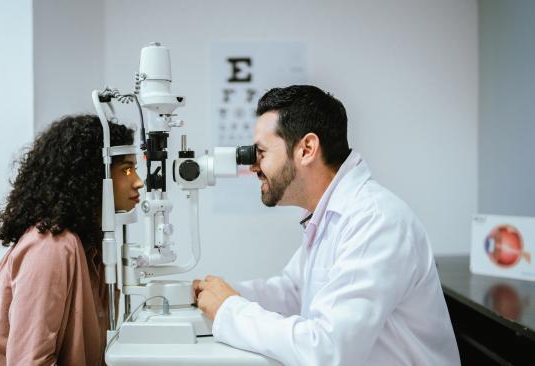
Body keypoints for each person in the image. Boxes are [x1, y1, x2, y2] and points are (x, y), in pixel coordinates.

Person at [194, 85, 460, 365]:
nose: (252, 167)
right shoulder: (330, 215)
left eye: (260, 153)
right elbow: (293, 292)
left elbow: (327, 350)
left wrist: (229, 309)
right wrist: (224, 294)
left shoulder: (374, 220)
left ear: (307, 149)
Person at [0, 114, 144, 366]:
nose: (139, 181)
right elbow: (30, 361)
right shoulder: (51, 247)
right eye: (126, 169)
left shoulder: (90, 247)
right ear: (93, 174)